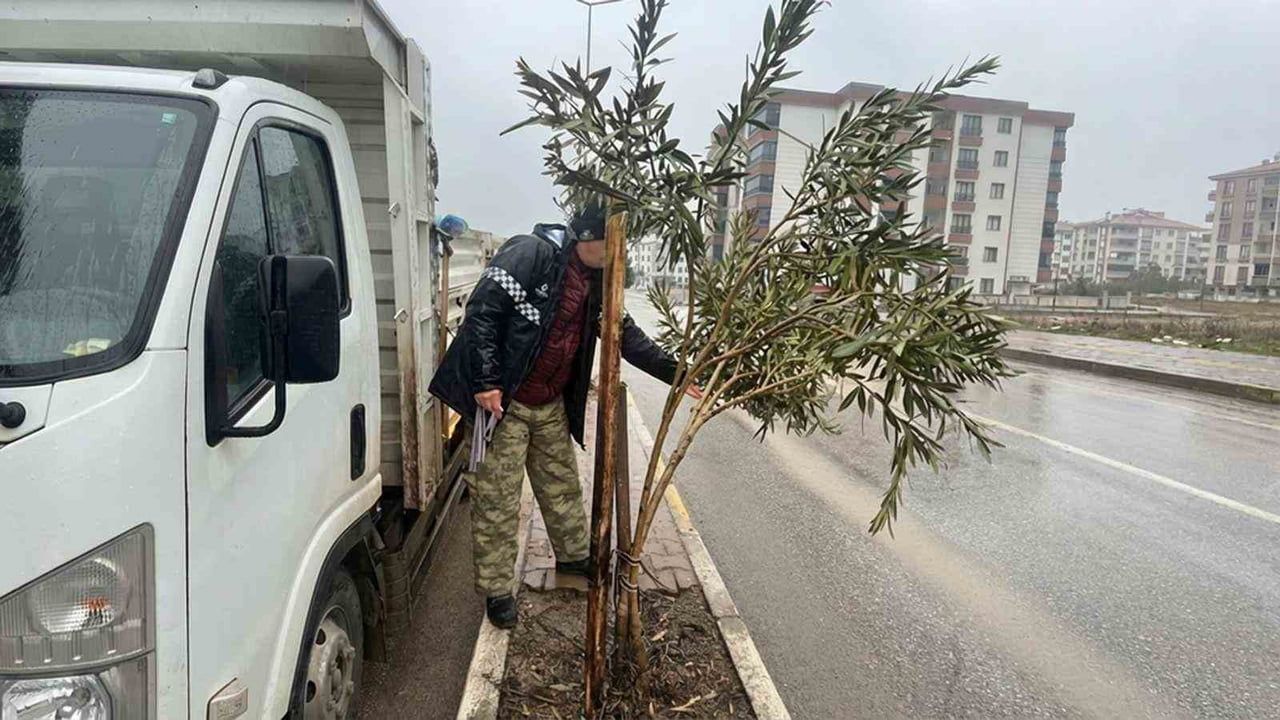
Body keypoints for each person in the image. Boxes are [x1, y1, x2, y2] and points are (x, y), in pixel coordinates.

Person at [429, 199, 694, 629]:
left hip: (549, 404)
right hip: (503, 406)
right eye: (613, 243)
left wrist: (677, 373)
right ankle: (498, 591)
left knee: (562, 487)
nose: (619, 253)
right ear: (589, 238)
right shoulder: (530, 253)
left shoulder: (598, 282)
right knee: (497, 502)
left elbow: (625, 336)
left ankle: (573, 559)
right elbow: (481, 313)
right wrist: (487, 382)